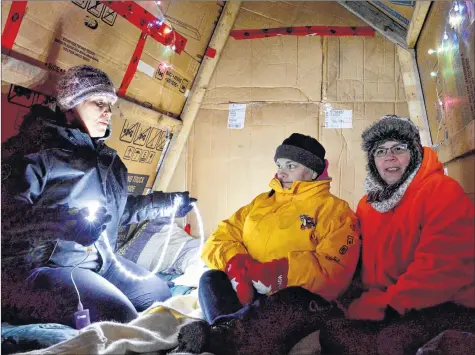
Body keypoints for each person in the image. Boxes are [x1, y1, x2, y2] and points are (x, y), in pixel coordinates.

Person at [1, 65, 197, 328]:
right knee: (120, 316)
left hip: (101, 262)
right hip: (43, 268)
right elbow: (8, 216)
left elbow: (119, 211)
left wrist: (165, 204)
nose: (107, 111)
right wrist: (65, 224)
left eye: (110, 105)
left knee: (158, 295)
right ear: (71, 104)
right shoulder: (34, 152)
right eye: (98, 102)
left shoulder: (109, 161)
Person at [176, 133, 360, 354]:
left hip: (292, 297)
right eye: (279, 165)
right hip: (248, 290)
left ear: (312, 171)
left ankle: (227, 335)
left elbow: (335, 271)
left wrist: (279, 273)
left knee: (295, 298)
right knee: (211, 278)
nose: (281, 172)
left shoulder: (336, 211)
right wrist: (237, 264)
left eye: (291, 165)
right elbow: (221, 236)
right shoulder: (261, 202)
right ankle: (236, 333)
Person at [319, 115, 475, 355]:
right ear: (372, 161)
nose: (389, 157)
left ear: (414, 153)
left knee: (391, 342)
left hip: (445, 304)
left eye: (398, 148)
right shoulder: (367, 204)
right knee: (332, 332)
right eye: (380, 151)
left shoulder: (441, 190)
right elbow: (355, 259)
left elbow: (441, 270)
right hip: (388, 302)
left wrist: (383, 307)